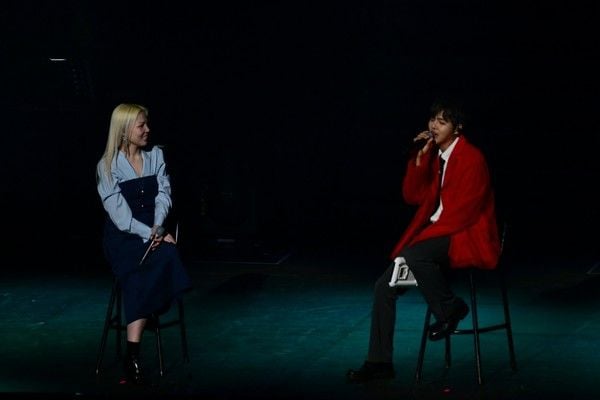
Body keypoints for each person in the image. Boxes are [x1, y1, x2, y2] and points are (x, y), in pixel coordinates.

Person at [346, 97, 501, 383]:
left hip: (463, 234)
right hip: (437, 235)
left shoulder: (472, 158)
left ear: (458, 127)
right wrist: (419, 158)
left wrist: (419, 242)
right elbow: (413, 196)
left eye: (442, 122)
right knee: (383, 287)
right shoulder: (437, 157)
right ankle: (380, 362)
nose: (434, 126)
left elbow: (464, 214)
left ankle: (450, 309)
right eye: (433, 120)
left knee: (415, 254)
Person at [96, 103, 192, 385]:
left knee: (168, 254)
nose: (147, 129)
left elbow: (164, 195)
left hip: (153, 229)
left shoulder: (156, 155)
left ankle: (136, 343)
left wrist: (158, 228)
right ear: (124, 131)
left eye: (147, 123)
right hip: (123, 237)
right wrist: (149, 234)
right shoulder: (107, 166)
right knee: (137, 269)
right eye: (141, 125)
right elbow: (120, 217)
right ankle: (133, 353)